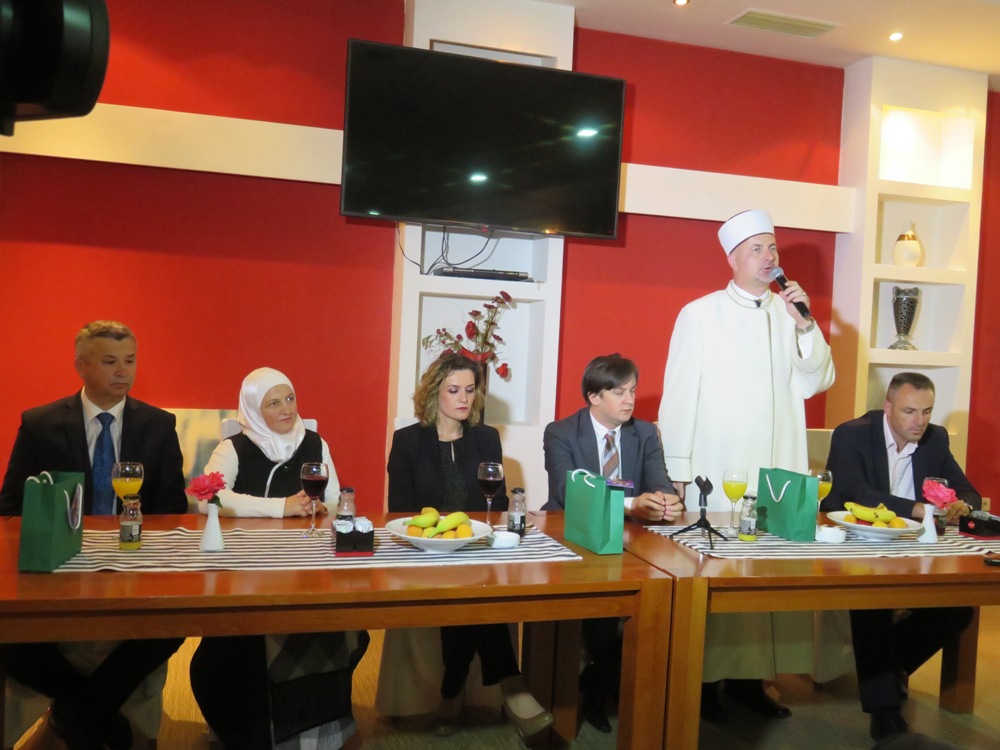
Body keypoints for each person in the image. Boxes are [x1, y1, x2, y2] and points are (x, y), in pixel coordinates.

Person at [658, 210, 850, 721]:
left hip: (778, 464)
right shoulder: (700, 314)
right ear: (733, 259)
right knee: (717, 570)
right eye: (757, 249)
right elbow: (678, 395)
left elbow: (817, 381)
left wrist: (806, 324)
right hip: (718, 466)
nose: (769, 257)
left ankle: (751, 681)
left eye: (773, 248)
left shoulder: (789, 314)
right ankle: (703, 684)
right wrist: (677, 469)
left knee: (767, 570)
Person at [0, 320, 186, 750]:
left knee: (172, 625)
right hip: (58, 567)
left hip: (133, 565)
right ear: (81, 366)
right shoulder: (41, 424)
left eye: (130, 361)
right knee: (11, 637)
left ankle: (73, 715)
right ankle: (100, 719)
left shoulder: (158, 425)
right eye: (109, 362)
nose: (123, 372)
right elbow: (10, 507)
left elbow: (172, 510)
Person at [189, 367, 369, 749]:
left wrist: (323, 506)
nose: (287, 409)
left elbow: (333, 499)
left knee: (343, 626)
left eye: (290, 398)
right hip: (248, 570)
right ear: (254, 410)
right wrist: (280, 507)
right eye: (273, 403)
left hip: (307, 567)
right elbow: (208, 499)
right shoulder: (233, 448)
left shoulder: (315, 443)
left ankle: (315, 731)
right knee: (231, 650)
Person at [382, 353, 554, 740]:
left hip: (476, 547)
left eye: (470, 390)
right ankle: (512, 688)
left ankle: (451, 693)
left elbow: (499, 504)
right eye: (453, 390)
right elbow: (400, 510)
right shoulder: (408, 441)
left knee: (474, 591)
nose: (464, 398)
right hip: (427, 550)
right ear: (433, 393)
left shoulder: (485, 438)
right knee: (470, 595)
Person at [822, 372, 978, 741]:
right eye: (910, 411)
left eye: (927, 411)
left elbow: (968, 490)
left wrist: (962, 505)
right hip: (858, 541)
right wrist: (919, 509)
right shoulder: (852, 434)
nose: (919, 421)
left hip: (914, 547)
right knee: (874, 599)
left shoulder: (935, 438)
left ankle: (887, 671)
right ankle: (886, 715)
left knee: (959, 607)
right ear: (888, 407)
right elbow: (853, 492)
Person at [542, 353, 682, 732]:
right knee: (603, 603)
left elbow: (659, 480)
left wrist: (665, 500)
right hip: (573, 536)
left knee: (663, 599)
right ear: (593, 396)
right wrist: (633, 503)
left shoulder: (645, 433)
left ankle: (601, 679)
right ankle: (599, 685)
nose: (629, 400)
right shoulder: (561, 432)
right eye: (619, 392)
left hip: (631, 537)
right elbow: (570, 492)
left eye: (632, 391)